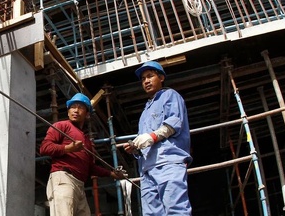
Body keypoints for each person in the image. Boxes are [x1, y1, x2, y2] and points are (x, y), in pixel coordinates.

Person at [124, 61, 192, 215]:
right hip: (147, 169)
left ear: (161, 77)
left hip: (168, 162)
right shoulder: (145, 111)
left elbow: (174, 123)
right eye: (143, 79)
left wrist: (150, 137)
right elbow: (146, 140)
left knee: (175, 209)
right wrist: (135, 147)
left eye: (150, 76)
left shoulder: (170, 95)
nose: (146, 81)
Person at [40, 93, 125, 216]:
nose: (76, 110)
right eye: (73, 107)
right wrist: (68, 148)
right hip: (63, 178)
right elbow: (44, 148)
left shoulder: (86, 141)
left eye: (80, 108)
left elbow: (90, 167)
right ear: (68, 111)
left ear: (87, 114)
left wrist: (111, 173)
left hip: (79, 185)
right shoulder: (61, 126)